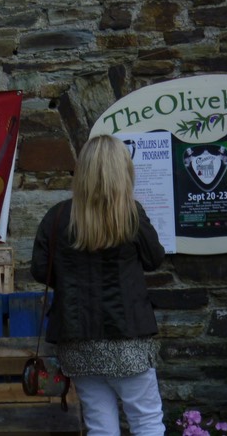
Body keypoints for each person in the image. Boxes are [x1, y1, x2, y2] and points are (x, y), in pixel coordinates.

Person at [30, 134, 166, 436]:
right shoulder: (130, 214)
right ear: (123, 170)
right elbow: (154, 258)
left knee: (99, 424)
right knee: (146, 420)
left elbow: (41, 270)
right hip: (127, 335)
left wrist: (72, 275)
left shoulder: (58, 217)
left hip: (77, 339)